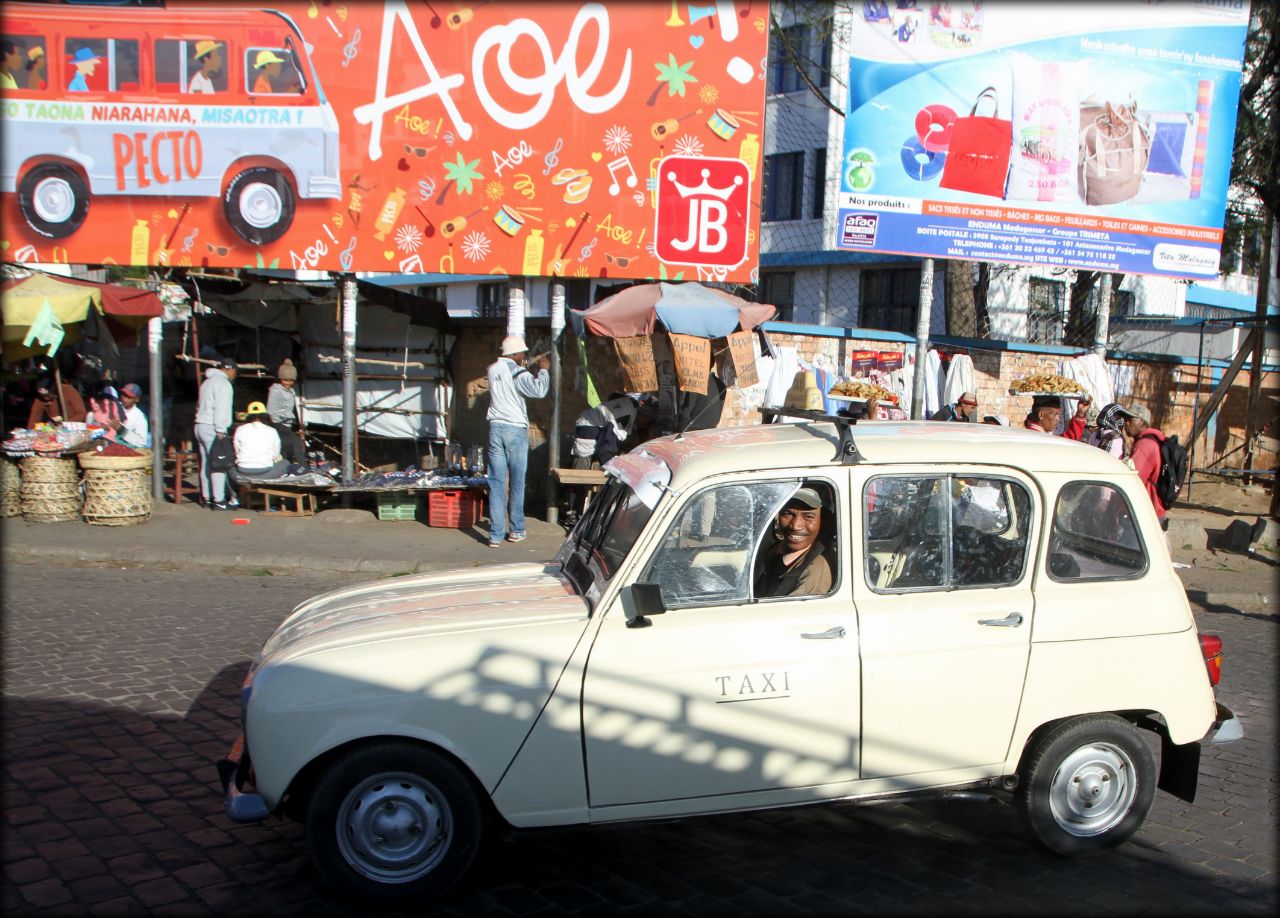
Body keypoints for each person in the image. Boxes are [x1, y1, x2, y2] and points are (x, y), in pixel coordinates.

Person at [485, 336, 549, 548]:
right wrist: (543, 371)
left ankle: (495, 535)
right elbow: (539, 391)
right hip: (514, 430)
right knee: (517, 482)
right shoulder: (517, 372)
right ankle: (516, 529)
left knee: (496, 482)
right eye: (522, 353)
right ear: (515, 354)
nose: (524, 357)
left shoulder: (492, 370)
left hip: (495, 429)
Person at [753, 486, 833, 598]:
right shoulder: (774, 552)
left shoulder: (812, 572)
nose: (795, 526)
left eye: (808, 516)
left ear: (822, 521)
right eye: (788, 514)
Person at [194, 357, 238, 510]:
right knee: (219, 464)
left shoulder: (207, 382)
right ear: (231, 369)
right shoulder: (224, 384)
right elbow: (222, 409)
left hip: (200, 425)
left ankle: (206, 498)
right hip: (213, 427)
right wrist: (221, 430)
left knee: (206, 463)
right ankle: (219, 500)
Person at [1120, 404, 1167, 524]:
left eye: (1131, 419)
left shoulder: (1145, 445)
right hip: (1153, 510)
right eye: (1125, 419)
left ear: (1142, 422)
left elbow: (1133, 479)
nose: (1126, 423)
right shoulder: (1151, 440)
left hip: (1146, 513)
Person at [572, 393, 637, 470]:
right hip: (589, 428)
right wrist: (612, 470)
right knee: (582, 467)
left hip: (588, 423)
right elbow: (605, 450)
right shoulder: (620, 417)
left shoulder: (629, 410)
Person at [232, 401, 288, 482]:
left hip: (242, 472)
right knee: (285, 463)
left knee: (228, 467)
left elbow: (237, 451)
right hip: (265, 472)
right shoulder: (272, 430)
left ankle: (234, 494)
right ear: (265, 416)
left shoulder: (240, 429)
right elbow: (276, 454)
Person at [266, 358, 306, 465]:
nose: (288, 383)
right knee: (296, 443)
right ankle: (304, 468)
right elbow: (270, 410)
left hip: (288, 424)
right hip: (277, 423)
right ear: (280, 379)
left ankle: (286, 466)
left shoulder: (292, 392)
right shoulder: (275, 391)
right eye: (285, 380)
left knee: (286, 448)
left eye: (291, 380)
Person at [117, 383, 150, 449]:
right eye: (123, 395)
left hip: (126, 453)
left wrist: (122, 431)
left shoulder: (139, 417)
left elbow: (142, 443)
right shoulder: (115, 407)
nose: (124, 399)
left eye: (129, 397)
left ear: (136, 399)